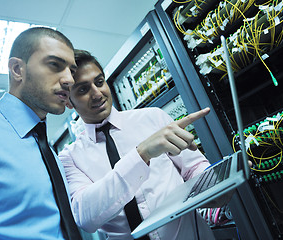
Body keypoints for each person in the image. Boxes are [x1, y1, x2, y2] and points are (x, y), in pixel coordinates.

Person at [59, 50, 216, 239]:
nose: (97, 93)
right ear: (68, 101)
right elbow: (86, 217)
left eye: (100, 82)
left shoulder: (152, 117)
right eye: (83, 89)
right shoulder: (70, 157)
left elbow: (194, 168)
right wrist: (141, 154)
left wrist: (217, 186)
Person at [0, 27, 82, 239]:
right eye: (55, 65)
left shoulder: (52, 158)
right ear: (17, 69)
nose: (69, 80)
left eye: (72, 71)